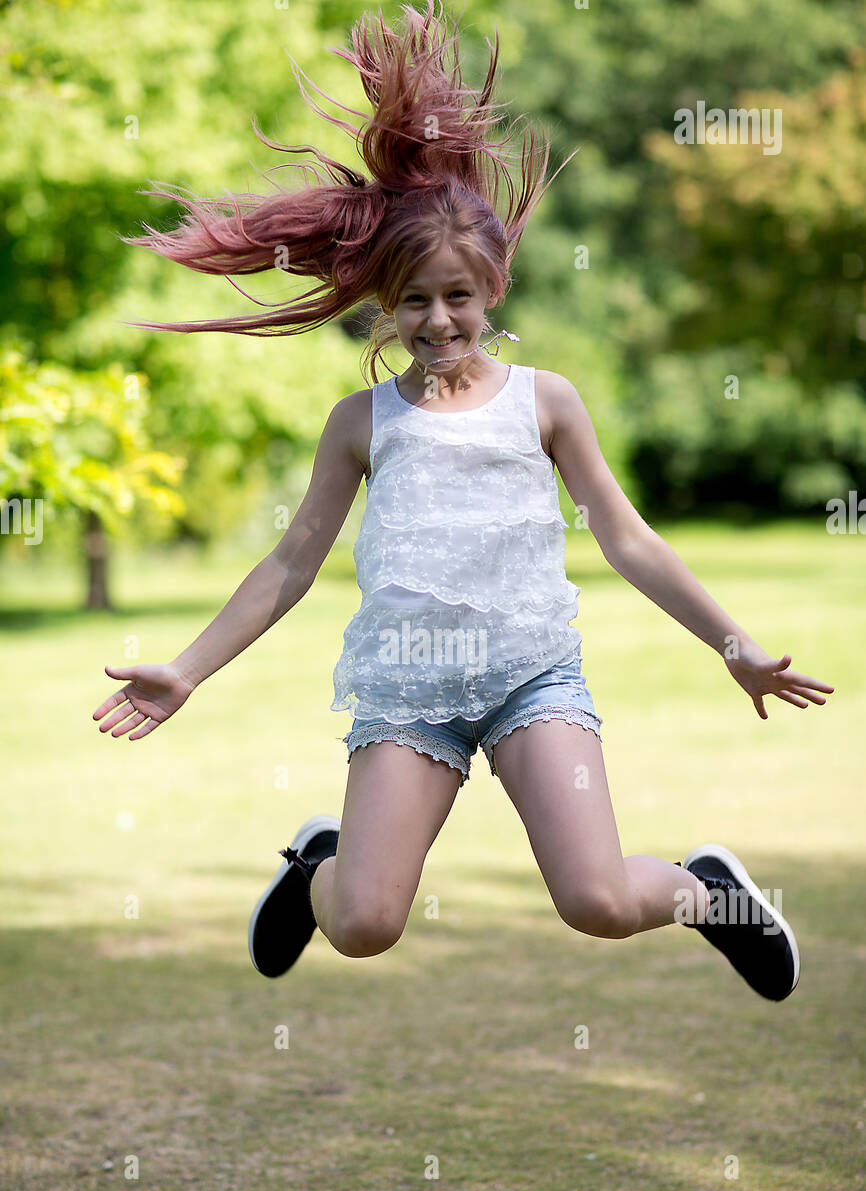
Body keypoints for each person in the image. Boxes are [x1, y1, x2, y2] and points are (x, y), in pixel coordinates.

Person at [93, 1, 833, 1002]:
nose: (436, 320)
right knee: (362, 925)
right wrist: (186, 670)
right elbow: (288, 564)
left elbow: (624, 538)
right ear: (381, 303)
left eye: (457, 297)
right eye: (412, 301)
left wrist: (730, 641)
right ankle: (317, 870)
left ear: (492, 288)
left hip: (531, 677)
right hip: (407, 690)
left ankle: (709, 891)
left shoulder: (545, 403)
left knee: (600, 903)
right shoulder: (360, 423)